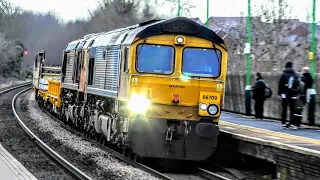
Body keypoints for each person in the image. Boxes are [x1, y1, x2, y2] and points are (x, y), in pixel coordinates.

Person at [278, 62, 300, 129]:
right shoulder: (295, 74)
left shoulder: (283, 74)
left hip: (285, 93)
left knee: (284, 108)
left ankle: (283, 123)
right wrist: (296, 93)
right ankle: (292, 123)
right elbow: (298, 84)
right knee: (292, 109)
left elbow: (280, 84)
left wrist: (280, 93)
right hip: (293, 94)